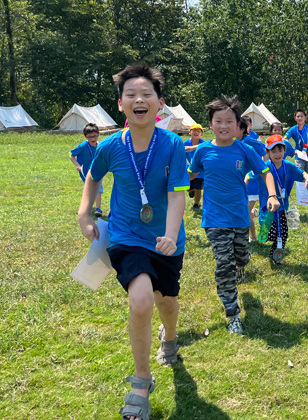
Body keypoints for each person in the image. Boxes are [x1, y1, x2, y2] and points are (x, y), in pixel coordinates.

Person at [77, 64, 190, 420]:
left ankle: (169, 336)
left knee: (166, 301)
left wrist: (171, 234)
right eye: (131, 95)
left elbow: (178, 194)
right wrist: (84, 214)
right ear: (121, 104)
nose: (139, 99)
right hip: (126, 235)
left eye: (146, 94)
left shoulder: (172, 144)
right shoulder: (110, 146)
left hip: (166, 241)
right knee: (140, 300)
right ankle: (141, 382)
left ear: (160, 103)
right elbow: (93, 179)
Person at [188, 95, 280, 334]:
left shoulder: (244, 149)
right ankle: (232, 313)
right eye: (219, 121)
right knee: (224, 264)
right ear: (211, 124)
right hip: (214, 219)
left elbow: (265, 173)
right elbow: (189, 175)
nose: (224, 126)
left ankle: (242, 263)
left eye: (229, 121)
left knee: (242, 258)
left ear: (238, 125)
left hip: (240, 218)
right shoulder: (203, 150)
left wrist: (271, 195)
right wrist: (167, 187)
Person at [252, 135, 308, 264]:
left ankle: (276, 257)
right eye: (273, 151)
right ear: (267, 152)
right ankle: (256, 215)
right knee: (270, 234)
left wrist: (307, 177)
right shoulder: (264, 166)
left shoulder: (288, 166)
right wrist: (244, 182)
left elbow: (302, 173)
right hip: (267, 207)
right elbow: (249, 175)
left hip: (283, 207)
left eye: (280, 150)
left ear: (285, 150)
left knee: (283, 234)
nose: (277, 154)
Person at [239, 117, 268, 242]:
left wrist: (258, 170)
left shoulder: (249, 141)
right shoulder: (230, 142)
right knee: (246, 210)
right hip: (239, 182)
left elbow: (266, 151)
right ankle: (253, 236)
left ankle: (255, 236)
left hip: (252, 182)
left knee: (245, 211)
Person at [70, 123, 103, 217]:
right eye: (90, 137)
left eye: (95, 136)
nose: (93, 139)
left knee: (98, 189)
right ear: (85, 136)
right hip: (85, 172)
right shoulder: (83, 146)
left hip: (98, 171)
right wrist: (78, 166)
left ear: (98, 134)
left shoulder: (101, 145)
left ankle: (98, 209)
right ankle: (86, 207)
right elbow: (71, 154)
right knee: (89, 189)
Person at [285, 109, 308, 177]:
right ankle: (301, 186)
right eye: (298, 116)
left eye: (302, 116)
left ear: (305, 118)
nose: (300, 118)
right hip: (299, 154)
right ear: (295, 118)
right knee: (300, 172)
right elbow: (285, 139)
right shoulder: (293, 129)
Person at [184, 123, 205, 209]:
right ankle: (190, 191)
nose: (196, 132)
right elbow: (182, 150)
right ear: (190, 132)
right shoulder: (186, 142)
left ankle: (196, 204)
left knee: (198, 188)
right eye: (194, 130)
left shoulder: (204, 144)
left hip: (200, 171)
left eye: (198, 131)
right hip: (189, 170)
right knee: (188, 188)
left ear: (201, 134)